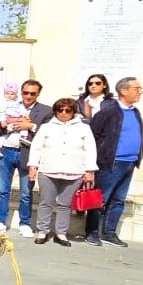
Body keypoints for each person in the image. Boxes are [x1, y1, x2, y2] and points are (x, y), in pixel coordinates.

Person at [27, 98, 96, 246]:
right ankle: (42, 231)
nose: (63, 113)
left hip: (74, 171)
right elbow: (36, 147)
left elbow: (90, 149)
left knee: (65, 204)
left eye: (68, 110)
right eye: (60, 110)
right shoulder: (46, 127)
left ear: (73, 111)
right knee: (46, 202)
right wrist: (33, 166)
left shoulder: (83, 128)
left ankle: (61, 233)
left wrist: (89, 170)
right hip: (48, 171)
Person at [85, 77, 143, 247]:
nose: (139, 91)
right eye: (137, 88)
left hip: (130, 162)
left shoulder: (135, 111)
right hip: (111, 162)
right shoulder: (108, 111)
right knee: (100, 199)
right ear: (124, 91)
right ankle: (92, 232)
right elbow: (93, 136)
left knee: (118, 200)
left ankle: (109, 233)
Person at [0, 82, 35, 236]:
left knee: (25, 192)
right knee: (2, 189)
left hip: (26, 153)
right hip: (7, 152)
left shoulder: (42, 110)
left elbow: (42, 129)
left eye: (32, 93)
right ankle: (0, 221)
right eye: (26, 93)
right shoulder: (9, 105)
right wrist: (6, 124)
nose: (28, 96)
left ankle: (24, 223)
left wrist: (30, 126)